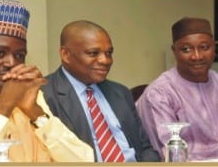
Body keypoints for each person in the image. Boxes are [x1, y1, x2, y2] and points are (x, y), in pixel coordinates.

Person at [0, 0, 94, 162]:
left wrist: (36, 114)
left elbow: (84, 159)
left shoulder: (31, 98)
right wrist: (3, 107)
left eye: (19, 55)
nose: (12, 63)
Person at [41, 20, 161, 162]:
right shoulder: (43, 95)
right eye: (93, 53)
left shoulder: (120, 93)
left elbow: (145, 148)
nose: (105, 60)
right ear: (66, 54)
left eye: (109, 53)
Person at [135, 17, 218, 161]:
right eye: (186, 49)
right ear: (174, 51)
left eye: (204, 47)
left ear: (214, 47)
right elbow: (168, 155)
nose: (197, 56)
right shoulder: (159, 94)